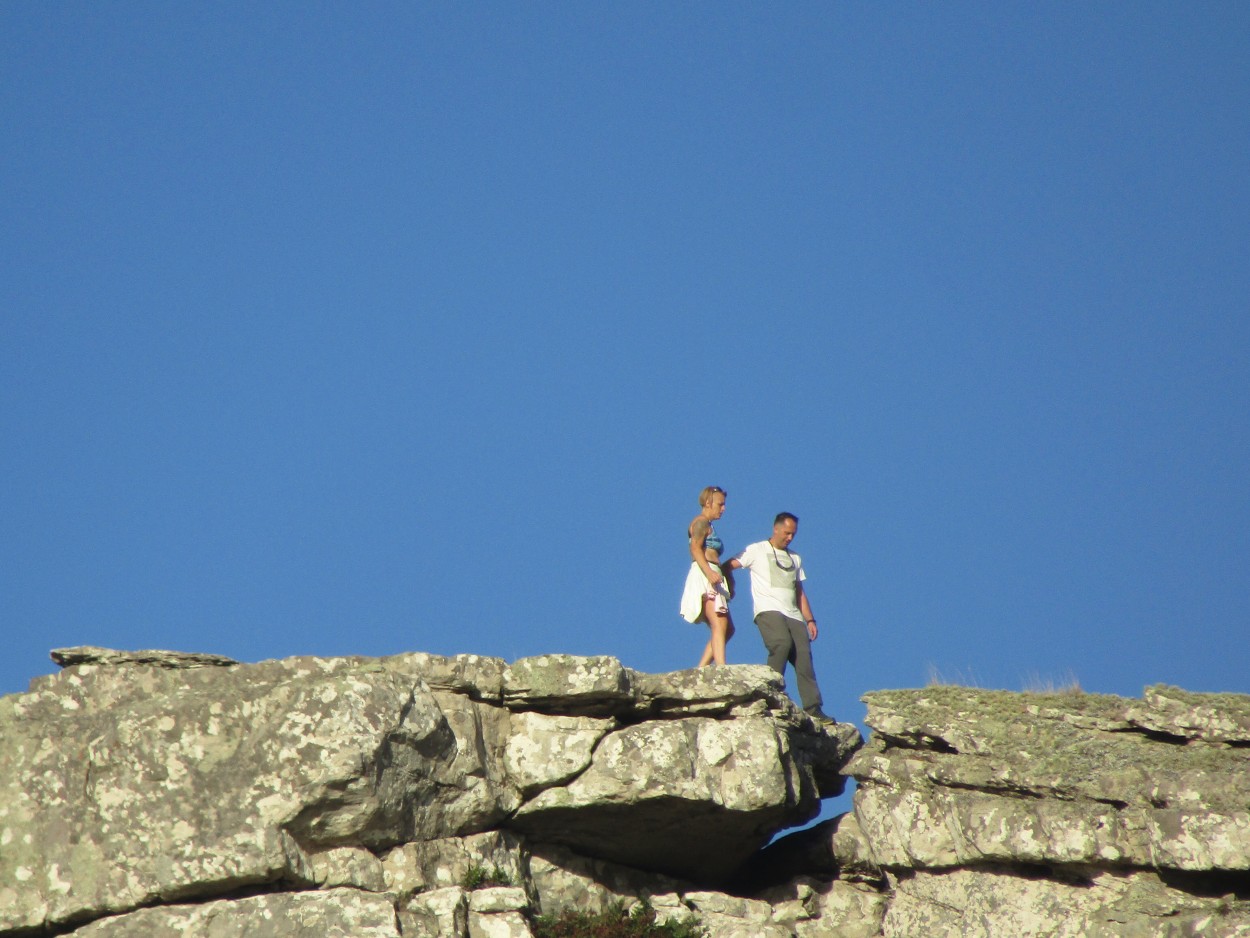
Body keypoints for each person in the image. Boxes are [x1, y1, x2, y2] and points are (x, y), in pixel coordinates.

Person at [727, 512, 834, 725]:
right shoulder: (756, 550)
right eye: (787, 533)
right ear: (776, 529)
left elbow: (799, 590)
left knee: (804, 658)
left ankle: (813, 708)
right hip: (768, 610)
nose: (789, 538)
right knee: (781, 644)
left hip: (793, 614)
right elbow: (729, 565)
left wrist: (810, 620)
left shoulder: (795, 558)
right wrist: (726, 583)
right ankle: (770, 693)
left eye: (793, 534)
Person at [679, 485, 736, 666]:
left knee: (728, 629)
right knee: (719, 623)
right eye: (720, 504)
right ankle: (720, 667)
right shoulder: (701, 522)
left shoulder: (708, 525)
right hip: (705, 574)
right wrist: (710, 572)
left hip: (712, 573)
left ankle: (702, 667)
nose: (723, 508)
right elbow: (695, 548)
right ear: (709, 502)